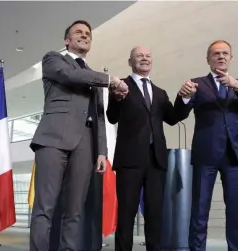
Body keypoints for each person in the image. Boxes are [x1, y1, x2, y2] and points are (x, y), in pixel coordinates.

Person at [29, 20, 128, 251]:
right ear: (67, 40)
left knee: (74, 211)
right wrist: (109, 80)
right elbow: (71, 76)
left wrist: (102, 151)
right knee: (45, 208)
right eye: (78, 33)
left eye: (88, 34)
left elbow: (100, 115)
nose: (84, 36)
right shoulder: (53, 59)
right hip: (52, 140)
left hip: (85, 146)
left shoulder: (93, 76)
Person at [174, 40, 238, 251]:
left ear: (231, 58)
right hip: (206, 154)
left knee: (234, 211)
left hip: (235, 155)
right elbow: (178, 113)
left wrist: (237, 86)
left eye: (225, 53)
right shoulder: (196, 84)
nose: (221, 57)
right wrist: (184, 96)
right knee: (200, 210)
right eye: (216, 54)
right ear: (208, 59)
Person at [106, 45, 181, 251]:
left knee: (155, 214)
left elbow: (173, 118)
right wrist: (115, 97)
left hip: (156, 160)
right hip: (129, 160)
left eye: (148, 56)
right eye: (139, 56)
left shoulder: (159, 92)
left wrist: (185, 98)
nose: (144, 59)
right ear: (130, 62)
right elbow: (112, 117)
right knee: (126, 215)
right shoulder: (121, 86)